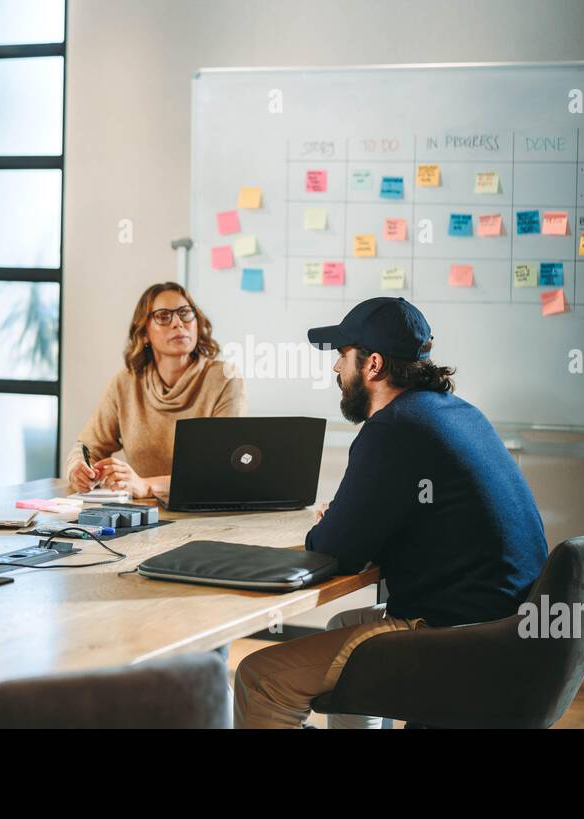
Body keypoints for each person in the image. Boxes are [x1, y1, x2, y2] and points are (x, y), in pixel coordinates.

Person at [232, 297, 548, 729]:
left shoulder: (393, 428)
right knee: (344, 623)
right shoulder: (456, 414)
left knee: (260, 676)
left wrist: (337, 526)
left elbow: (334, 551)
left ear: (373, 364)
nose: (334, 370)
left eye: (342, 356)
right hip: (507, 633)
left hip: (458, 642)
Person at [64, 282, 245, 499]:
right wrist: (78, 470)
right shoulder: (125, 382)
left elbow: (223, 468)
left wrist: (147, 485)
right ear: (144, 334)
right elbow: (87, 446)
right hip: (144, 513)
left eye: (185, 313)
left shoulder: (225, 378)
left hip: (207, 512)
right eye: (163, 316)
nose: (178, 323)